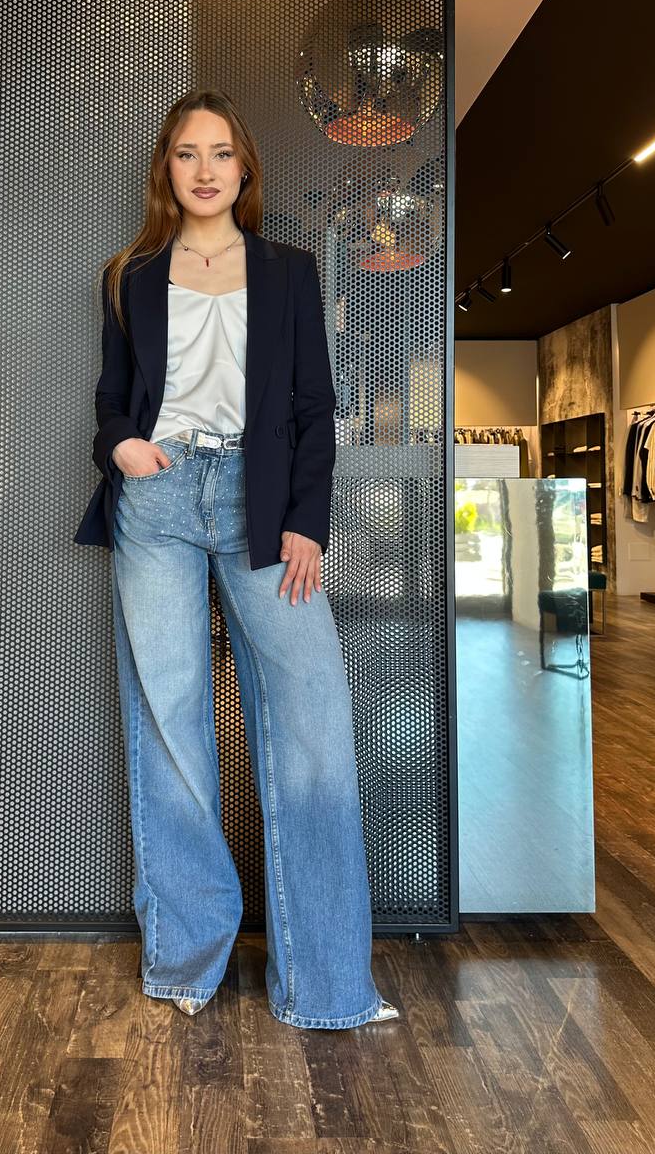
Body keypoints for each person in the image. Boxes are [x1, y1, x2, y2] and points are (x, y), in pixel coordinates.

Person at [74, 88, 400, 1029]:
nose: (206, 169)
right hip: (157, 501)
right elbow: (111, 398)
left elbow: (313, 406)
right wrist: (121, 448)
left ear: (244, 167)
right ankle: (185, 964)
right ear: (166, 170)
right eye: (188, 153)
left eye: (221, 152)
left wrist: (308, 521)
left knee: (311, 722)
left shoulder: (288, 270)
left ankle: (328, 986)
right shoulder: (129, 275)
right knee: (169, 725)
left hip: (262, 504)